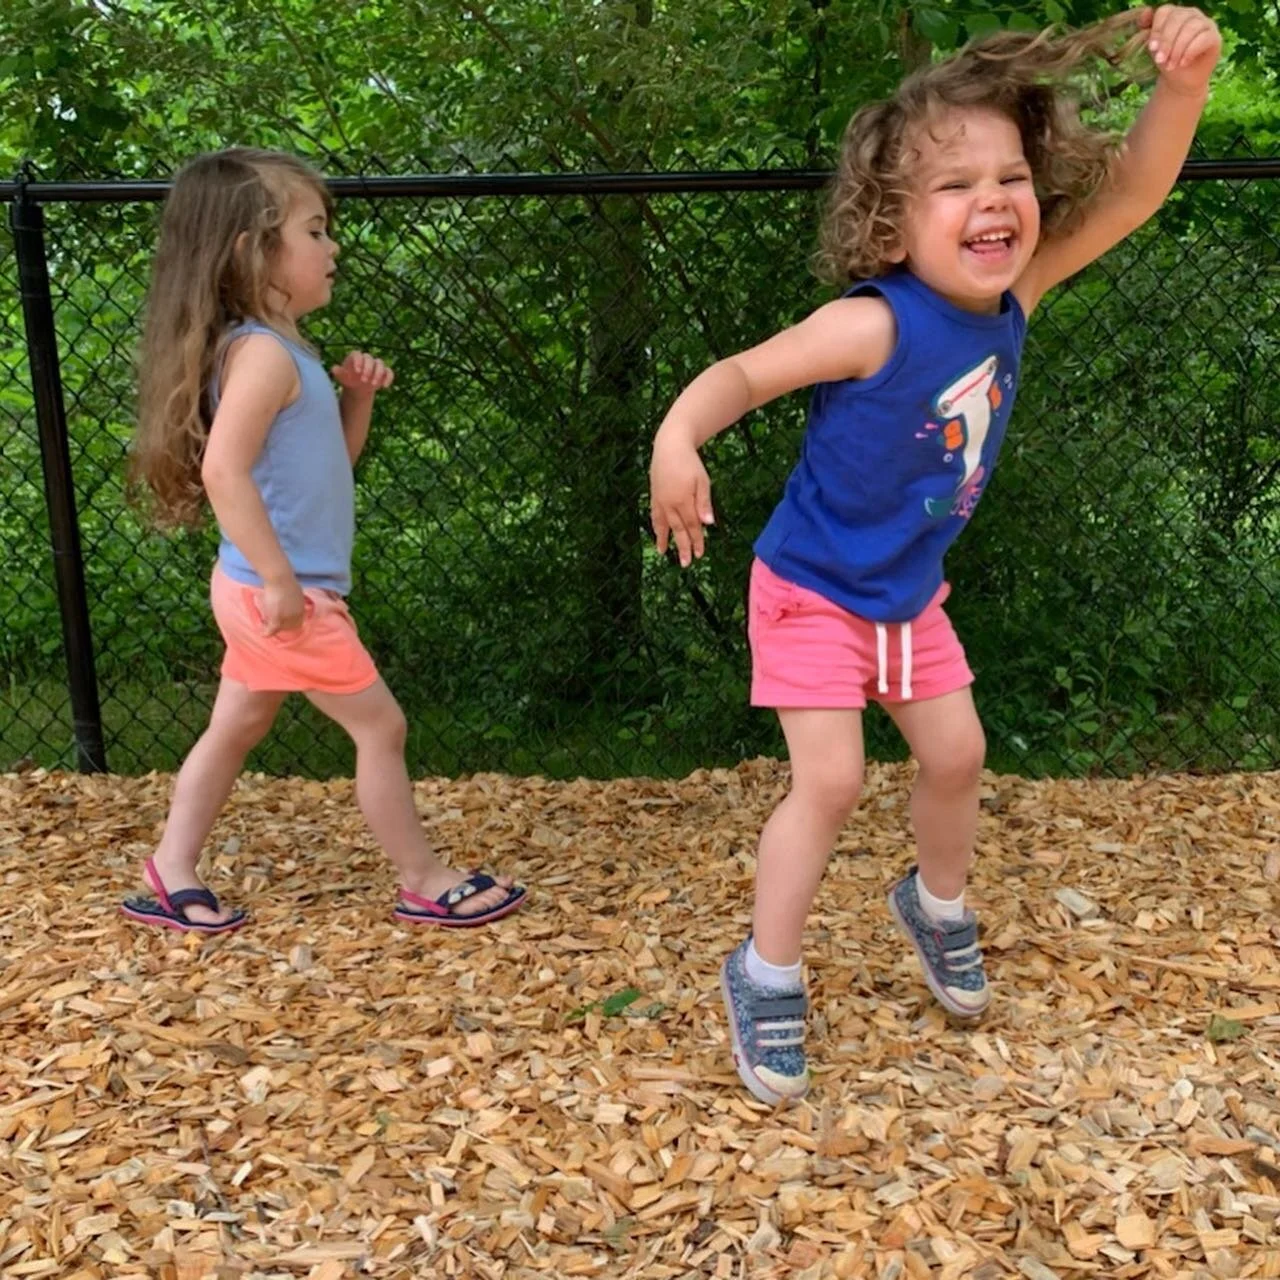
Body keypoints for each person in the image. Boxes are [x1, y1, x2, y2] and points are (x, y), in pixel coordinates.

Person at [648, 8, 1219, 1103]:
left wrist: (1182, 86)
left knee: (956, 755)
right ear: (889, 222)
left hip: (905, 596)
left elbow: (1137, 193)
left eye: (1007, 174)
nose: (991, 199)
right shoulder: (871, 324)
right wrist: (676, 438)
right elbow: (737, 376)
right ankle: (765, 971)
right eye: (953, 185)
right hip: (810, 591)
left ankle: (935, 905)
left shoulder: (1015, 294)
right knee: (831, 778)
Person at [123, 148, 527, 934]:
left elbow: (326, 470)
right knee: (382, 727)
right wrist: (280, 582)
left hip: (264, 587)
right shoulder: (265, 356)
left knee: (237, 724)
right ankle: (421, 878)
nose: (333, 245)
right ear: (253, 251)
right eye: (315, 229)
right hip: (284, 596)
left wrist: (356, 401)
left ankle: (170, 870)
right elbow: (223, 471)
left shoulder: (285, 353)